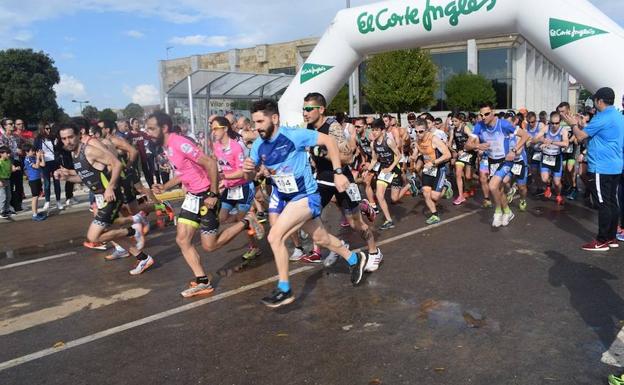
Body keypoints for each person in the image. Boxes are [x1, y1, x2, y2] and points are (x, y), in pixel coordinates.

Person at [243, 99, 368, 308]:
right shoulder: (257, 146)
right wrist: (248, 169)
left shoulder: (294, 135)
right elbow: (250, 177)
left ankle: (284, 289)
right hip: (286, 198)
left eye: (260, 122)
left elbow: (329, 141)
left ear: (274, 118)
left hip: (306, 197)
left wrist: (338, 173)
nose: (257, 127)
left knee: (275, 235)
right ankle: (355, 259)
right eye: (254, 123)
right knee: (321, 238)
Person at [147, 111, 264, 298]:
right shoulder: (167, 147)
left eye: (152, 128)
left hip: (205, 194)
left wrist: (213, 194)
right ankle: (202, 281)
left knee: (209, 246)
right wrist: (165, 186)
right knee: (182, 239)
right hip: (193, 196)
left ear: (164, 128)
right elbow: (184, 172)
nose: (148, 132)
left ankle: (247, 222)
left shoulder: (179, 143)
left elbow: (209, 163)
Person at [55, 123, 155, 275]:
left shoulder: (89, 150)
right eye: (64, 138)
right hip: (101, 197)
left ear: (78, 136)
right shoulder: (74, 155)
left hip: (111, 197)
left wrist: (110, 186)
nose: (67, 141)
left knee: (93, 237)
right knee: (110, 231)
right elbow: (83, 178)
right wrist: (66, 177)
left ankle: (132, 230)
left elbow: (115, 164)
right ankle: (143, 258)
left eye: (70, 137)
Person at [302, 93, 382, 270]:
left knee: (355, 223)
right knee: (310, 214)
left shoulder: (332, 127)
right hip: (322, 180)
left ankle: (374, 251)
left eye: (308, 109)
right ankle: (336, 245)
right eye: (303, 109)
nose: (305, 113)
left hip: (342, 179)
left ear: (321, 109)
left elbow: (346, 157)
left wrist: (320, 152)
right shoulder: (307, 127)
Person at [562, 87, 624, 251]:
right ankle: (611, 238)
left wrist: (573, 125)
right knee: (612, 202)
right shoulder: (618, 115)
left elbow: (581, 136)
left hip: (601, 166)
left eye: (595, 99)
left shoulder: (602, 117)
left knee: (603, 203)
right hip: (616, 165)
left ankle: (602, 240)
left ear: (599, 100)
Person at [466, 102, 530, 227]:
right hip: (492, 161)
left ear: (493, 113)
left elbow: (525, 135)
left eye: (487, 114)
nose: (484, 117)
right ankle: (508, 211)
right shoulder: (479, 126)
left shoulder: (503, 124)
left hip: (505, 161)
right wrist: (478, 145)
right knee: (499, 190)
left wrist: (514, 150)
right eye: (481, 114)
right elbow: (467, 145)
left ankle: (498, 211)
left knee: (492, 186)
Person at [211, 116, 262, 261]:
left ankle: (254, 247)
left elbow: (242, 172)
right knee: (222, 218)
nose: (213, 131)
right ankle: (250, 218)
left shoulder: (235, 146)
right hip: (230, 188)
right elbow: (218, 164)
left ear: (225, 129)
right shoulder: (216, 146)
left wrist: (223, 177)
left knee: (241, 221)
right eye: (212, 128)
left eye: (215, 128)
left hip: (243, 187)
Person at [410, 118, 452, 224]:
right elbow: (417, 152)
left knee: (435, 196)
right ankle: (435, 215)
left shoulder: (434, 139)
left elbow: (448, 155)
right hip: (428, 169)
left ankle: (446, 185)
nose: (418, 134)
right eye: (416, 131)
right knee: (426, 192)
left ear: (427, 129)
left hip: (439, 168)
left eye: (421, 131)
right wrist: (414, 156)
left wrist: (433, 162)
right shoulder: (417, 140)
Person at [369, 118, 402, 230]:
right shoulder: (373, 144)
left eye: (376, 130)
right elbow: (374, 160)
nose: (373, 132)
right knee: (379, 195)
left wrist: (390, 168)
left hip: (394, 170)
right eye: (372, 129)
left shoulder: (388, 141)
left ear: (382, 131)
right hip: (383, 171)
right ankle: (389, 220)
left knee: (394, 199)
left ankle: (410, 184)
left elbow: (398, 156)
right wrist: (367, 170)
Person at [535, 112, 569, 206]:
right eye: (552, 123)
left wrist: (552, 142)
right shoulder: (546, 128)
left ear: (560, 122)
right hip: (546, 156)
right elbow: (536, 138)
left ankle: (558, 195)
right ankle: (548, 186)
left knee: (557, 183)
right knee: (544, 179)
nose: (554, 125)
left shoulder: (563, 130)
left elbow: (566, 143)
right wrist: (542, 141)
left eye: (556, 123)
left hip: (556, 157)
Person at [34, 122, 64, 211]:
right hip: (45, 163)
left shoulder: (53, 137)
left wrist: (57, 144)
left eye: (49, 128)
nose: (48, 130)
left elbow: (58, 149)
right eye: (46, 128)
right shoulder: (38, 139)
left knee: (57, 182)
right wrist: (39, 155)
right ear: (42, 129)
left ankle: (58, 201)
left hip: (54, 162)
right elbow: (35, 150)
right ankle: (47, 201)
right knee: (47, 184)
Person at [22, 143, 47, 221]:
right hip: (33, 180)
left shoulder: (33, 157)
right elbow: (36, 166)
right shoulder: (27, 159)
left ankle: (36, 212)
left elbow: (43, 164)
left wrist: (41, 156)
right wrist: (38, 157)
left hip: (37, 178)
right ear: (27, 152)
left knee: (36, 196)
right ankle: (34, 214)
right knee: (35, 197)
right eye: (32, 151)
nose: (33, 152)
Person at [0, 146, 14, 218]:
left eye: (9, 153)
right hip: (1, 180)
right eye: (7, 153)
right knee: (3, 196)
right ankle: (1, 212)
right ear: (1, 154)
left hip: (7, 179)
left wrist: (14, 169)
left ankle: (7, 210)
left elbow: (10, 169)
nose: (9, 155)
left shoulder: (9, 161)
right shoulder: (0, 162)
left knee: (9, 196)